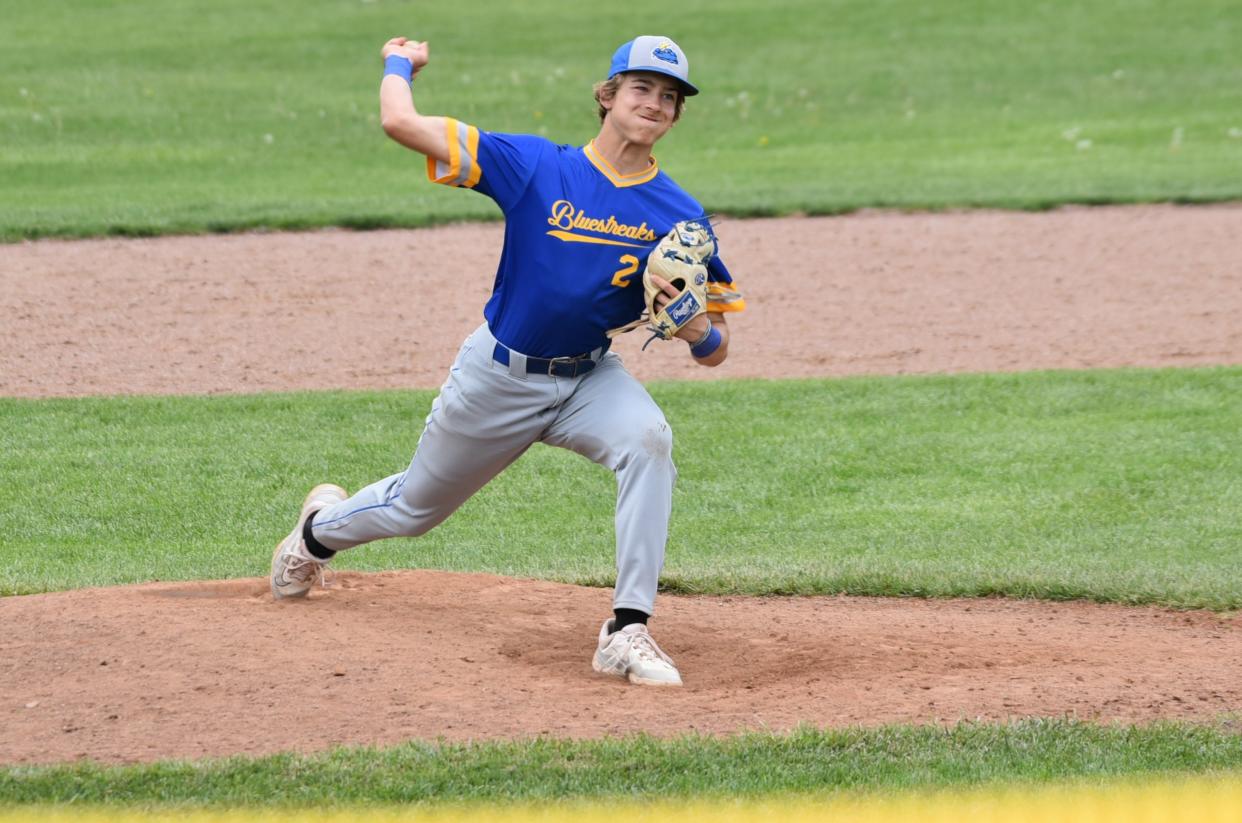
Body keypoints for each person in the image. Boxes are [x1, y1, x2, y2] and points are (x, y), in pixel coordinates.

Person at [270, 34, 746, 687]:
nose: (655, 103)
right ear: (607, 97)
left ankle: (626, 628)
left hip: (587, 378)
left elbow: (717, 347)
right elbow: (399, 123)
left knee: (649, 440)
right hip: (498, 376)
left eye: (670, 97)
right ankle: (316, 533)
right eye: (641, 88)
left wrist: (698, 334)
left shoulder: (680, 215)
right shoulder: (533, 166)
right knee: (415, 508)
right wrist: (398, 63)